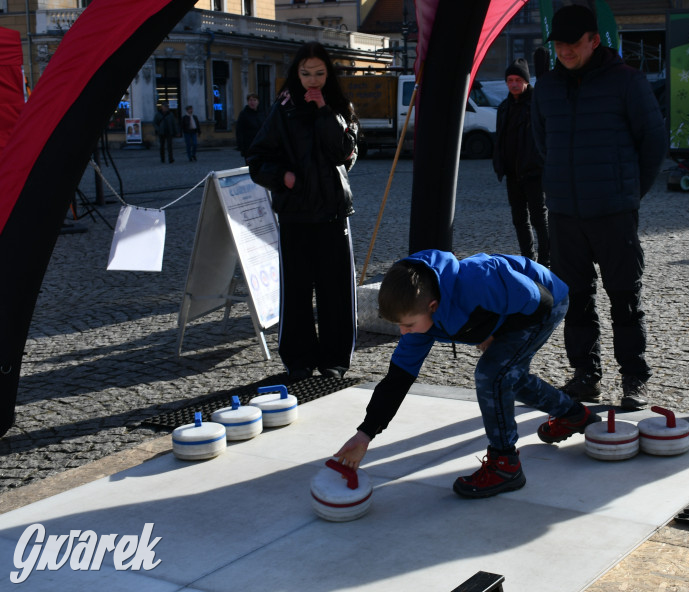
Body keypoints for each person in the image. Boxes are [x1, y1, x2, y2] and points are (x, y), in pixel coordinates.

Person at [334, 250, 600, 498]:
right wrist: (365, 434)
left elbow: (540, 301)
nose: (404, 332)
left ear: (433, 306)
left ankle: (504, 464)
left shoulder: (478, 280)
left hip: (544, 302)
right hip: (517, 306)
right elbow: (397, 379)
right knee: (508, 375)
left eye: (408, 324)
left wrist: (496, 335)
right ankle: (574, 415)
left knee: (493, 373)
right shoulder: (419, 316)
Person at [532, 4, 669, 410]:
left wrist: (628, 193)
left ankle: (634, 377)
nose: (565, 51)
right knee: (574, 299)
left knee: (625, 297)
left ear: (594, 40)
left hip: (613, 211)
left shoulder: (627, 82)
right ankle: (586, 376)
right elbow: (544, 145)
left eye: (573, 43)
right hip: (565, 213)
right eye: (558, 44)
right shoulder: (547, 87)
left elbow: (653, 142)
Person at [247, 42, 359, 381]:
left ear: (329, 74)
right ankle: (298, 361)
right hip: (295, 215)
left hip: (332, 215)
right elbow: (257, 159)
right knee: (296, 291)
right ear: (296, 74)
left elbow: (343, 154)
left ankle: (334, 361)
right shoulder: (282, 109)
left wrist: (325, 111)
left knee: (335, 291)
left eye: (320, 73)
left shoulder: (341, 107)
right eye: (306, 73)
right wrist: (283, 177)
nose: (313, 80)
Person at [494, 58, 550, 266]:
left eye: (518, 79)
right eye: (510, 80)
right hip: (512, 173)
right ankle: (529, 258)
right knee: (519, 220)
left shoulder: (537, 104)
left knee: (539, 218)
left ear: (526, 81)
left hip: (534, 172)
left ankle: (545, 259)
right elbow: (500, 137)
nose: (514, 84)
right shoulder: (504, 107)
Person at [236, 94, 266, 159]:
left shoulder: (262, 113)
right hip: (249, 146)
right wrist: (241, 147)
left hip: (261, 145)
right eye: (250, 100)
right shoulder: (243, 114)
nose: (252, 102)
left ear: (258, 101)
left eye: (254, 100)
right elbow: (239, 130)